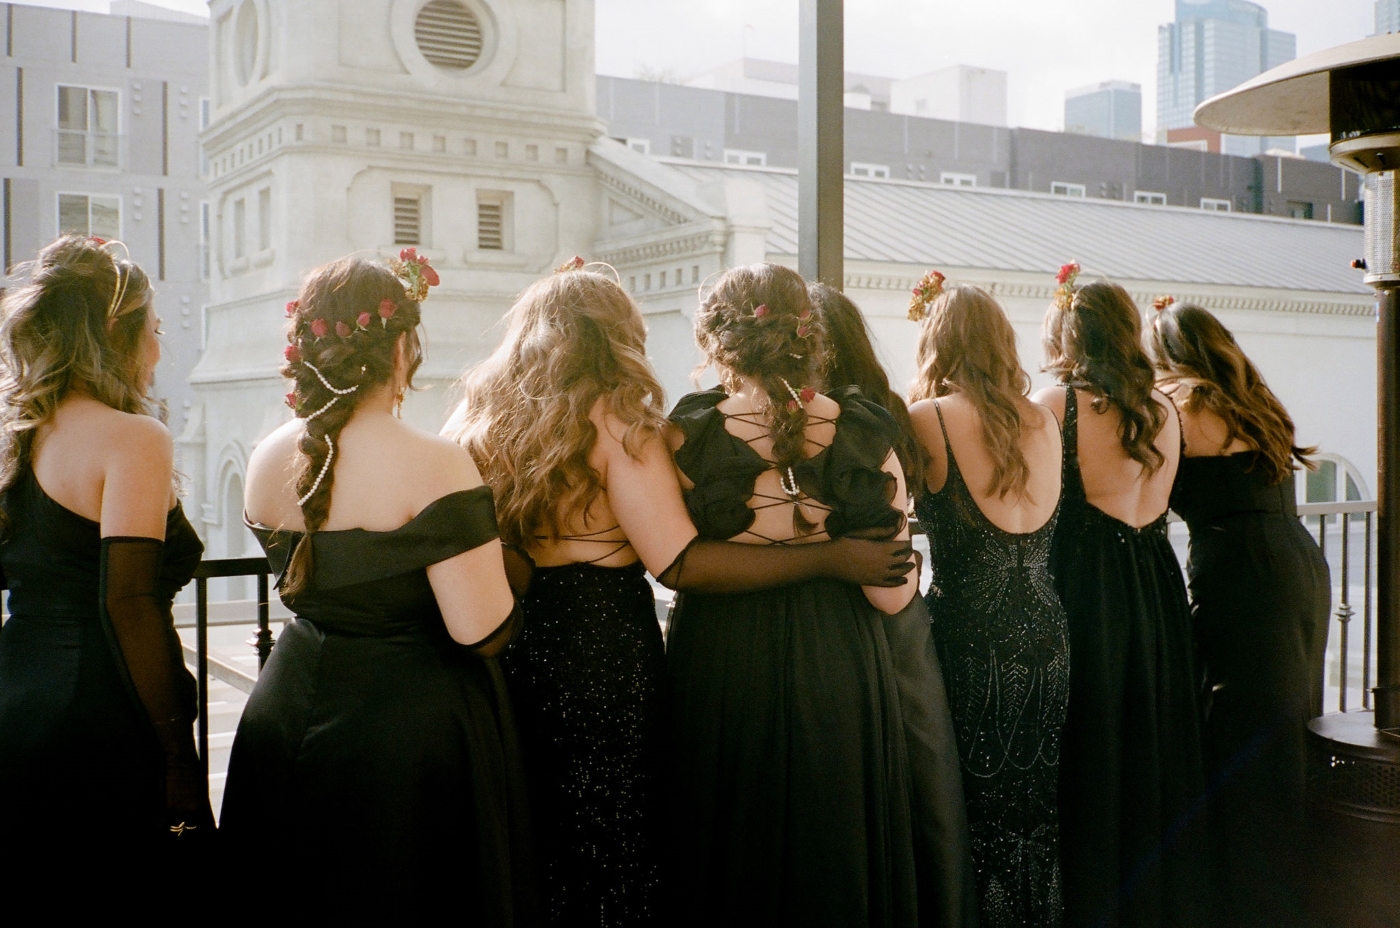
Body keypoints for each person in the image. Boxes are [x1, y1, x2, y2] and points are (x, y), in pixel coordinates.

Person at [446, 264, 916, 928]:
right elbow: (678, 561)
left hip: (525, 647)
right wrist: (832, 555)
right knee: (623, 839)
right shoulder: (626, 426)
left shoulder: (484, 418)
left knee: (544, 830)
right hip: (623, 650)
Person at [220, 254, 535, 920]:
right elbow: (480, 630)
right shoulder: (437, 463)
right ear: (400, 347)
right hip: (402, 743)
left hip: (285, 711)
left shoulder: (267, 456)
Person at [665, 262, 944, 926]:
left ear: (717, 342)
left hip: (722, 662)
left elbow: (671, 560)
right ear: (807, 333)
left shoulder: (684, 435)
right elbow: (893, 596)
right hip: (838, 663)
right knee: (833, 855)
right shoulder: (867, 433)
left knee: (730, 858)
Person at [0, 234, 212, 857]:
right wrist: (176, 754)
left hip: (18, 703)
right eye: (155, 329)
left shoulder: (23, 436)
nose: (158, 347)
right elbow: (129, 602)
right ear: (117, 334)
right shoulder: (133, 439)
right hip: (103, 717)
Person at [1032, 269, 1210, 928]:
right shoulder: (1165, 404)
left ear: (1066, 332)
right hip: (1154, 581)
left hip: (1088, 584)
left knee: (1093, 740)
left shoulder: (1056, 405)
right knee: (1149, 737)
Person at [1150, 299, 1329, 928]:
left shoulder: (1179, 399)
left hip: (1242, 571)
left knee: (1241, 730)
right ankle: (1288, 889)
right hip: (1297, 563)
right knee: (1288, 725)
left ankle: (1251, 897)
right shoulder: (1251, 393)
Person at [810, 281, 978, 928]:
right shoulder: (893, 415)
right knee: (923, 778)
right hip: (904, 611)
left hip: (855, 606)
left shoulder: (828, 427)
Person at [906, 279, 1069, 927]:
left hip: (971, 640)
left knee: (968, 808)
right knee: (1034, 813)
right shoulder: (1046, 419)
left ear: (936, 346)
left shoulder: (930, 420)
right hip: (1049, 638)